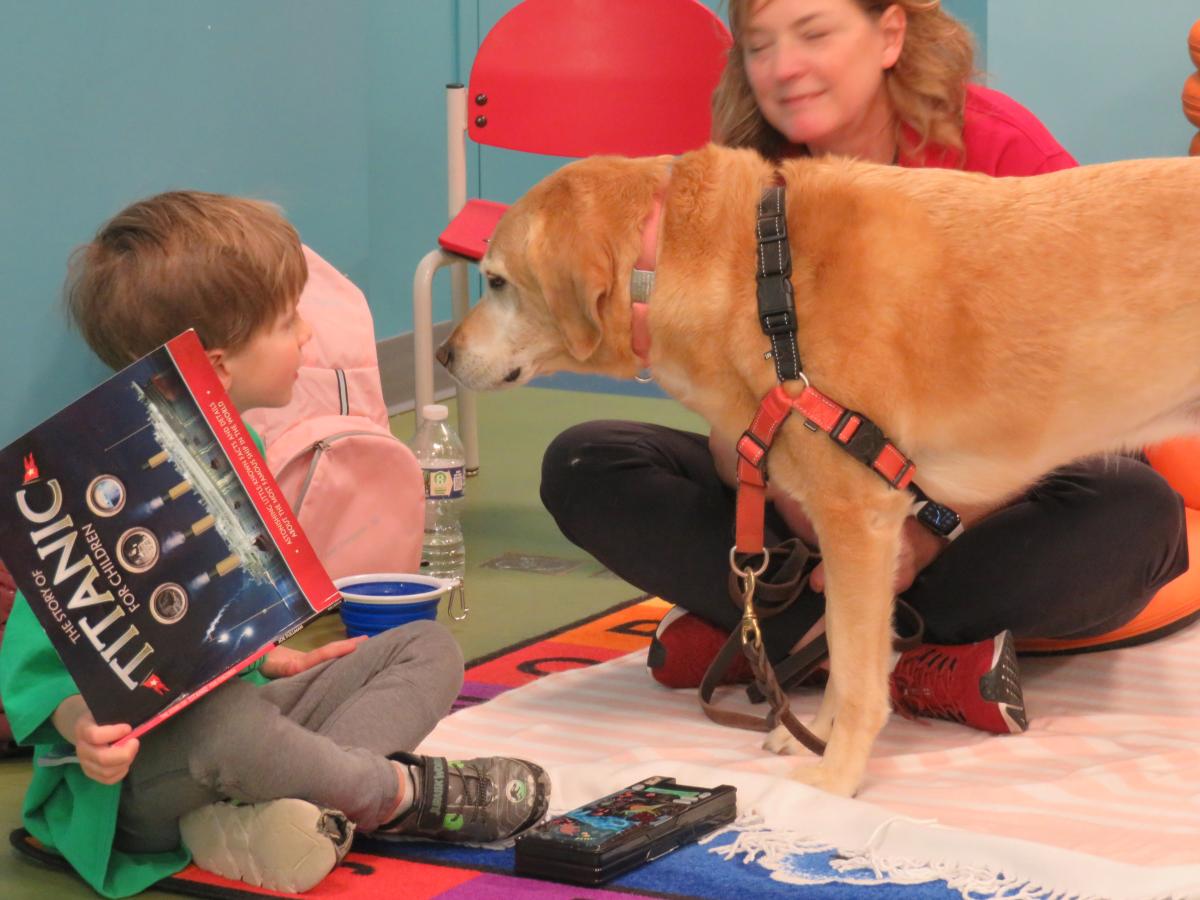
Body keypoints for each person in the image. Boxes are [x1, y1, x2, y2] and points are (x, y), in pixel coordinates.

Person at [540, 0, 1189, 736]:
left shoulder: (999, 150)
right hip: (811, 511)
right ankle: (896, 655)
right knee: (587, 461)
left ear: (889, 35)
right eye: (761, 45)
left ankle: (780, 640)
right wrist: (781, 482)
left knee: (1136, 511)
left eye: (814, 34)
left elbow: (1101, 399)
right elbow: (730, 412)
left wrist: (927, 531)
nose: (784, 67)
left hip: (977, 515)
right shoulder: (741, 182)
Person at [0, 191, 550, 898]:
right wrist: (82, 728)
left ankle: (298, 807)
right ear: (219, 364)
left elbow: (212, 624)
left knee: (426, 648)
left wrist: (277, 657)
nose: (309, 341)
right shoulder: (84, 488)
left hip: (243, 729)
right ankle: (389, 797)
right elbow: (30, 674)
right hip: (134, 785)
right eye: (289, 322)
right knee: (221, 725)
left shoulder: (247, 447)